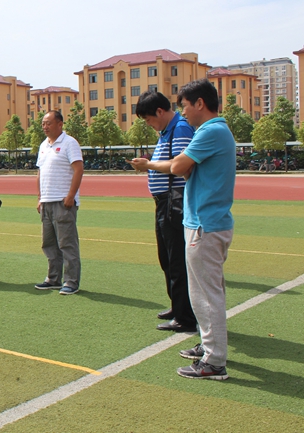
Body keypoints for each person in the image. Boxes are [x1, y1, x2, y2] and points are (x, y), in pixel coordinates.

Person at [171, 79, 236, 380]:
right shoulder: (213, 132)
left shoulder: (211, 131)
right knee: (207, 293)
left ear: (199, 103)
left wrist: (182, 166)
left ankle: (214, 361)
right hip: (208, 223)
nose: (182, 112)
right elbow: (182, 167)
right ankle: (209, 349)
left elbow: (178, 166)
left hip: (205, 225)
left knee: (206, 296)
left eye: (184, 105)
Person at [129, 91, 197, 333]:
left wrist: (148, 165)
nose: (149, 125)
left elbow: (181, 165)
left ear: (159, 112)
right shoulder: (167, 131)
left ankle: (185, 316)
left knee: (176, 260)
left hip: (174, 202)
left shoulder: (179, 128)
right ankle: (177, 306)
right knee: (167, 258)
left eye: (148, 120)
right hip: (165, 202)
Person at [34, 110, 84, 295]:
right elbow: (40, 173)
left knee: (67, 243)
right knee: (49, 243)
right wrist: (40, 197)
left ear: (60, 124)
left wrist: (71, 195)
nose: (45, 127)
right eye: (43, 124)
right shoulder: (43, 145)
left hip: (63, 201)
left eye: (48, 123)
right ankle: (53, 278)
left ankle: (71, 281)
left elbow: (78, 170)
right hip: (47, 201)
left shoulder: (69, 143)